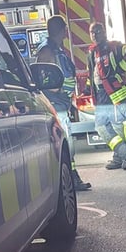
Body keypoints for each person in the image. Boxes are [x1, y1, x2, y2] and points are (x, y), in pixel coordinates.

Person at [36, 15, 91, 190]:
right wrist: (57, 91)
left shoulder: (55, 49)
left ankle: (71, 177)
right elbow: (44, 79)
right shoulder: (47, 51)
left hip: (62, 104)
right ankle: (71, 178)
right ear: (62, 30)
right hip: (56, 105)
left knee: (67, 144)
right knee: (65, 145)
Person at [87, 21, 126, 170]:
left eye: (98, 31)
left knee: (117, 126)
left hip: (116, 93)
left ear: (104, 32)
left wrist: (118, 69)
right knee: (102, 127)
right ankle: (123, 153)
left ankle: (121, 156)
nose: (95, 35)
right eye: (92, 32)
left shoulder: (115, 47)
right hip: (101, 94)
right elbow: (92, 74)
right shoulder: (92, 52)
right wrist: (88, 89)